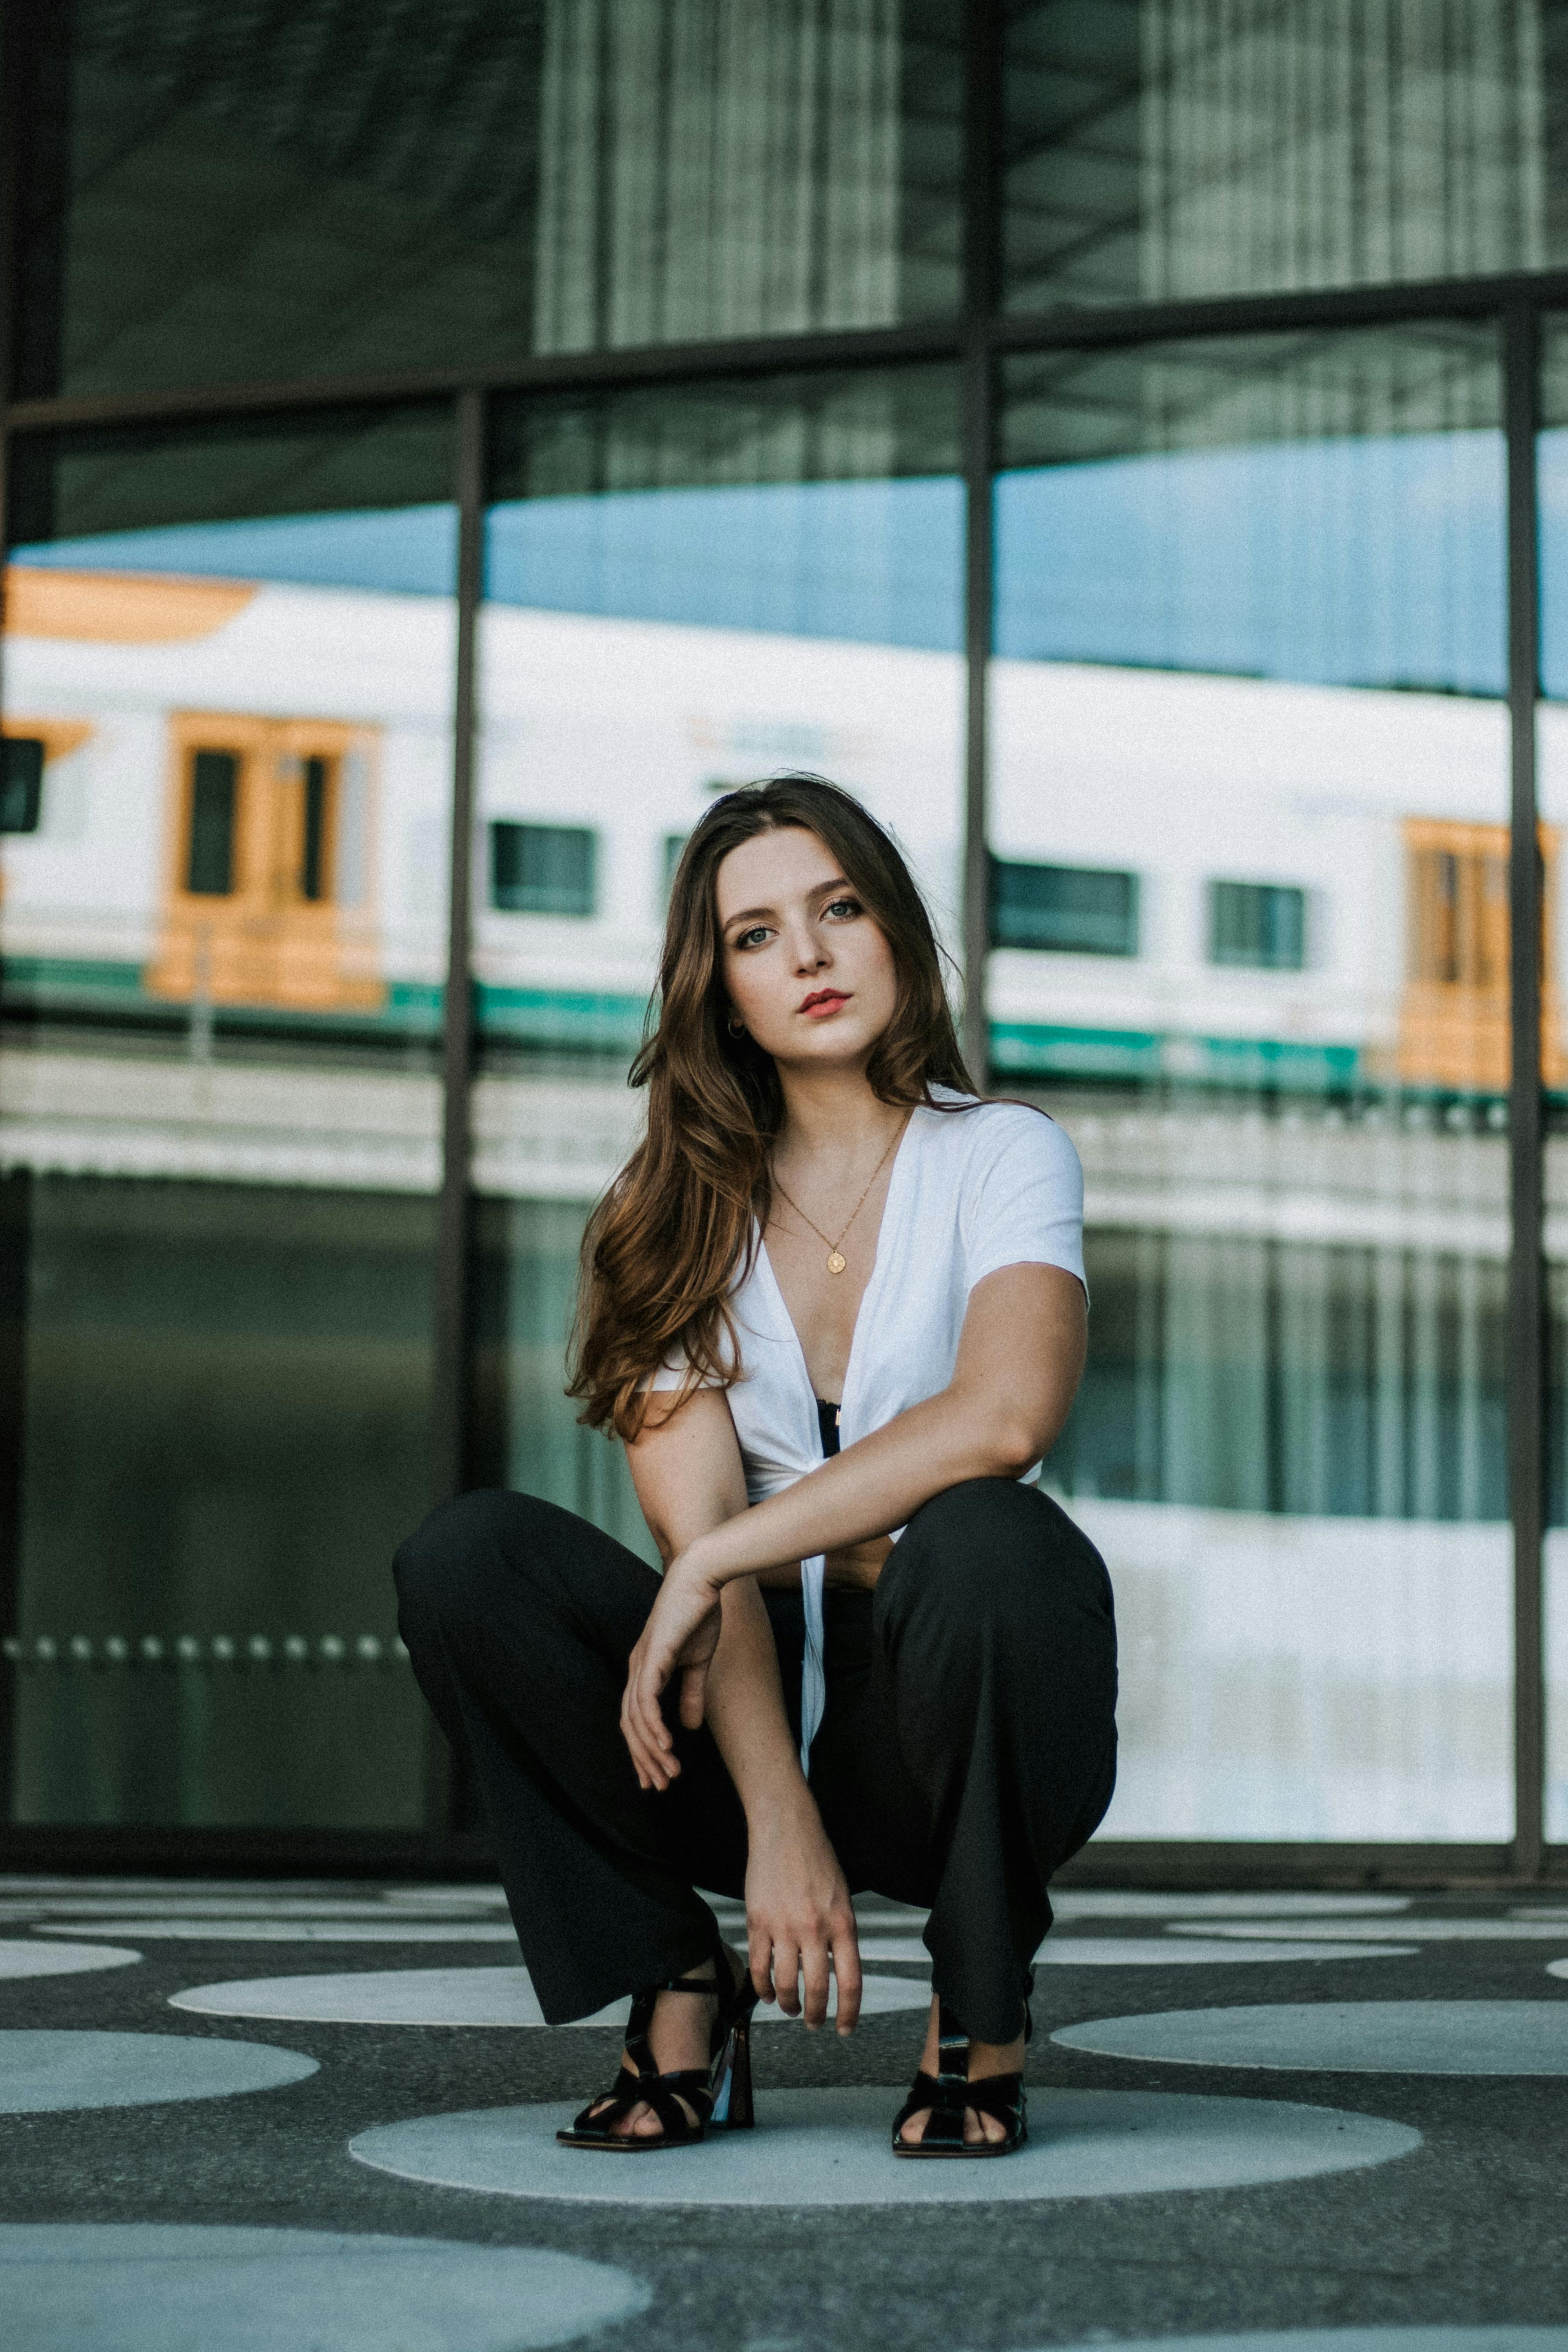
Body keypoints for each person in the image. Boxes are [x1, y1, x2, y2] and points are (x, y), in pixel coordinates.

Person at [394, 774, 1117, 2159]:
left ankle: (980, 2010)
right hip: (739, 1718)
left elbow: (1004, 1419)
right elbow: (698, 1538)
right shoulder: (665, 1213)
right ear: (720, 988)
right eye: (757, 935)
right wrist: (777, 1817)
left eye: (839, 909)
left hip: (955, 1715)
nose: (810, 956)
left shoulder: (1005, 1155)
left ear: (893, 929)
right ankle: (679, 1979)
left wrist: (728, 1551)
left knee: (989, 1539)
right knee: (468, 1561)